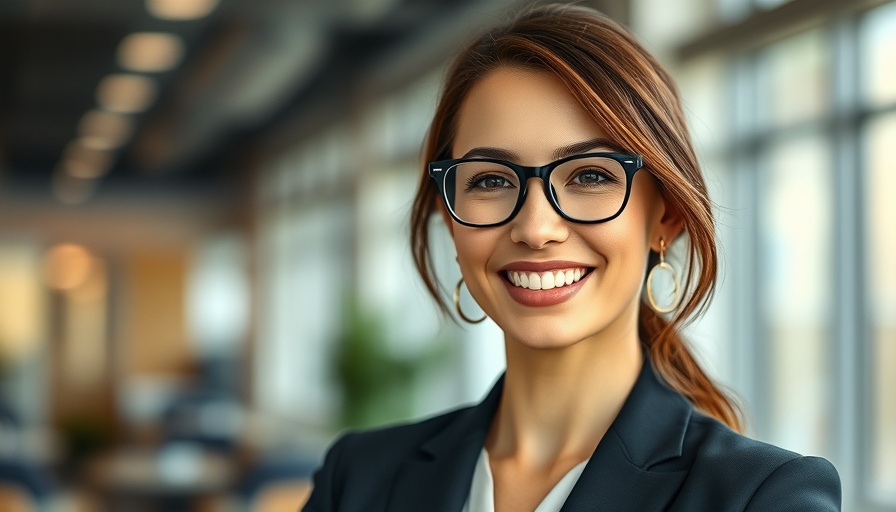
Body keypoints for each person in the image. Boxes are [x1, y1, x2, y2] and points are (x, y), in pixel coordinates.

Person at [302, 4, 841, 511]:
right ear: (449, 214)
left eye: (590, 176)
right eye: (490, 180)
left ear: (667, 215)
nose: (536, 229)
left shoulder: (761, 498)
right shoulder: (358, 478)